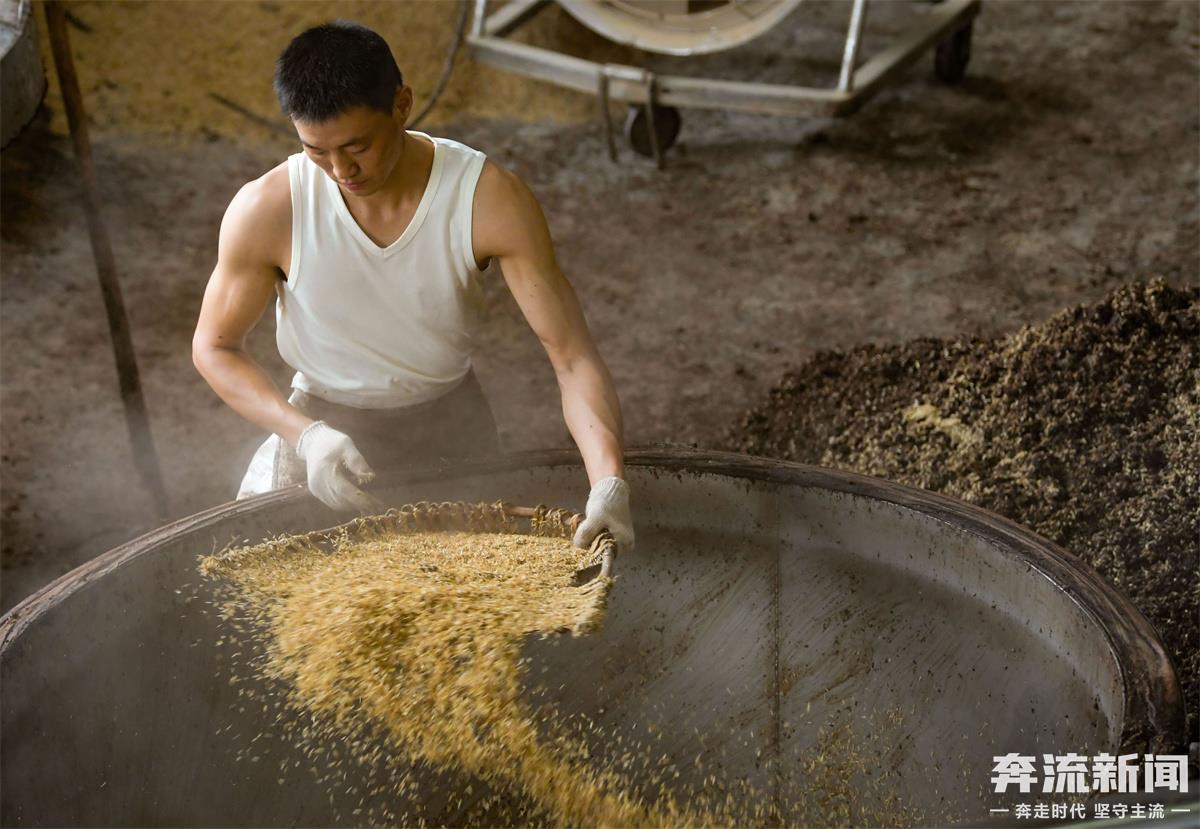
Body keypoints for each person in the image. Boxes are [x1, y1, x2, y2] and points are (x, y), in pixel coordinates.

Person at [191, 20, 633, 554]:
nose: (340, 169)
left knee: (466, 606)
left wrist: (608, 481)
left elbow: (572, 358)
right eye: (316, 150)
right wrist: (303, 434)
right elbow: (214, 347)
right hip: (323, 425)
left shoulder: (485, 200)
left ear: (402, 105)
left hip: (450, 424)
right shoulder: (269, 209)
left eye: (358, 146)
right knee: (302, 608)